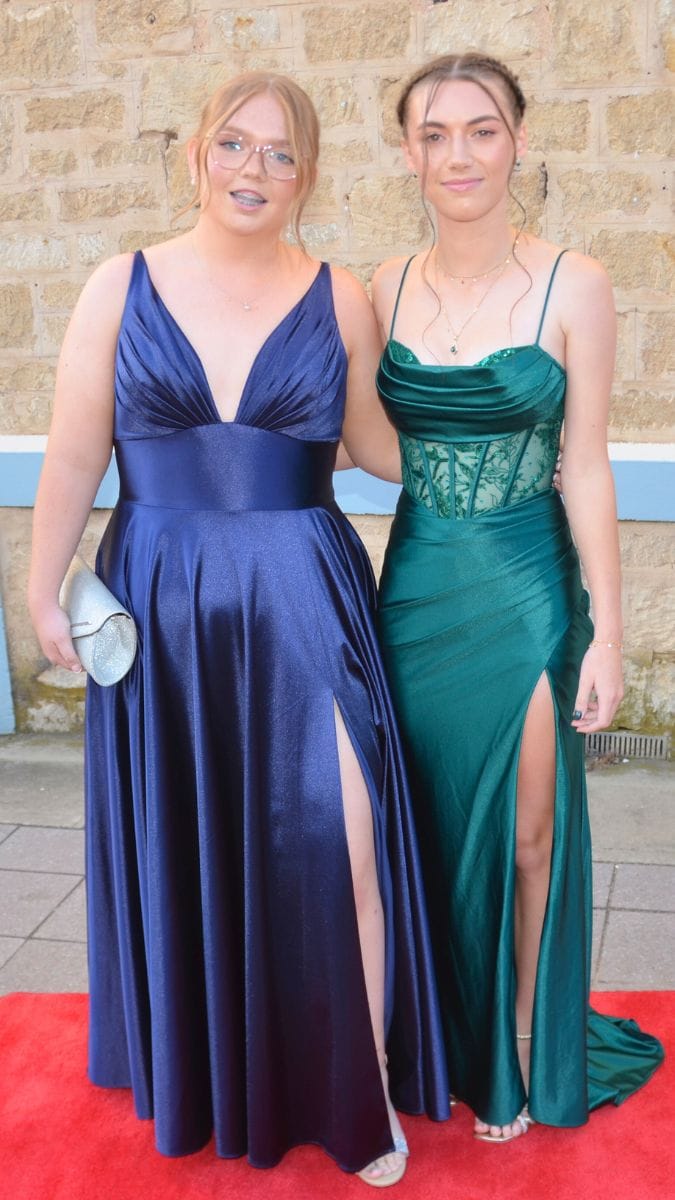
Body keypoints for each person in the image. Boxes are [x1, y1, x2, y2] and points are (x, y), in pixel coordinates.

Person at [27, 70, 451, 1186]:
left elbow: (377, 445)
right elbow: (74, 451)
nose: (254, 168)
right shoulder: (119, 284)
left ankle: (365, 1092)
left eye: (280, 152)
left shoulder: (339, 295)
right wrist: (40, 586)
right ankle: (216, 1065)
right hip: (160, 604)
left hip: (307, 596)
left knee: (345, 836)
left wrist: (495, 456)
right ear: (197, 155)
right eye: (234, 144)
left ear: (306, 176)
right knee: (190, 839)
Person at [371, 53, 664, 1143]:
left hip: (528, 583)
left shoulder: (573, 282)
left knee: (530, 829)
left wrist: (610, 634)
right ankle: (441, 1029)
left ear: (518, 142)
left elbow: (585, 464)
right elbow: (363, 443)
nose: (458, 154)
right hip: (418, 586)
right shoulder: (380, 285)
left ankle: (527, 1036)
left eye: (481, 129)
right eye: (434, 133)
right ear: (409, 152)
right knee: (429, 818)